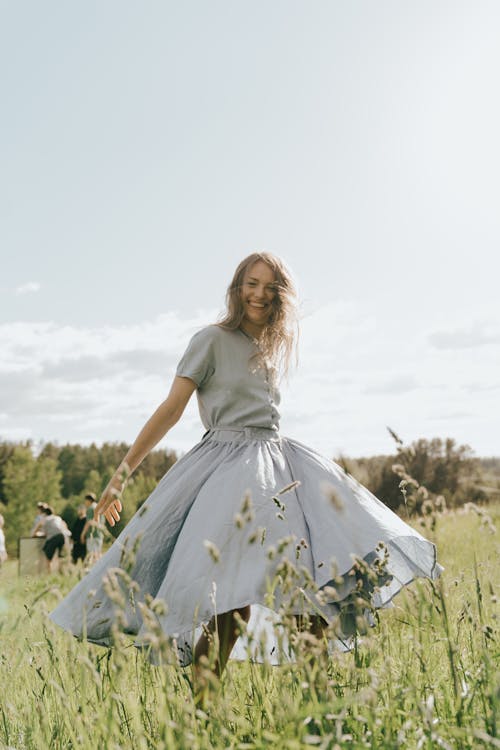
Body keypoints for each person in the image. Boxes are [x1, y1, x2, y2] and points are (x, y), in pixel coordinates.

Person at [50, 252, 441, 691]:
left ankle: (317, 716)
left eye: (271, 287)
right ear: (238, 288)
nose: (260, 294)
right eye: (252, 284)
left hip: (281, 470)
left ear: (281, 295)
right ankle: (203, 717)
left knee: (303, 598)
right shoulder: (212, 339)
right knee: (230, 607)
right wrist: (121, 474)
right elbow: (171, 409)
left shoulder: (274, 346)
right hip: (226, 470)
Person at [32, 505, 71, 573]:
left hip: (53, 538)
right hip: (62, 536)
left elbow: (38, 527)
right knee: (60, 556)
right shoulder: (58, 518)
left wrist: (33, 534)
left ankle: (49, 573)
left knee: (48, 557)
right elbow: (64, 525)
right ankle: (61, 571)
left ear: (45, 513)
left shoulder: (44, 519)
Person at [80, 493, 104, 565]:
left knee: (92, 555)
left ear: (88, 500)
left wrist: (83, 533)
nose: (85, 503)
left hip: (92, 535)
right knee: (98, 554)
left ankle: (94, 573)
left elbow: (89, 522)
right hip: (99, 534)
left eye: (85, 501)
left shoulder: (90, 509)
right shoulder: (99, 507)